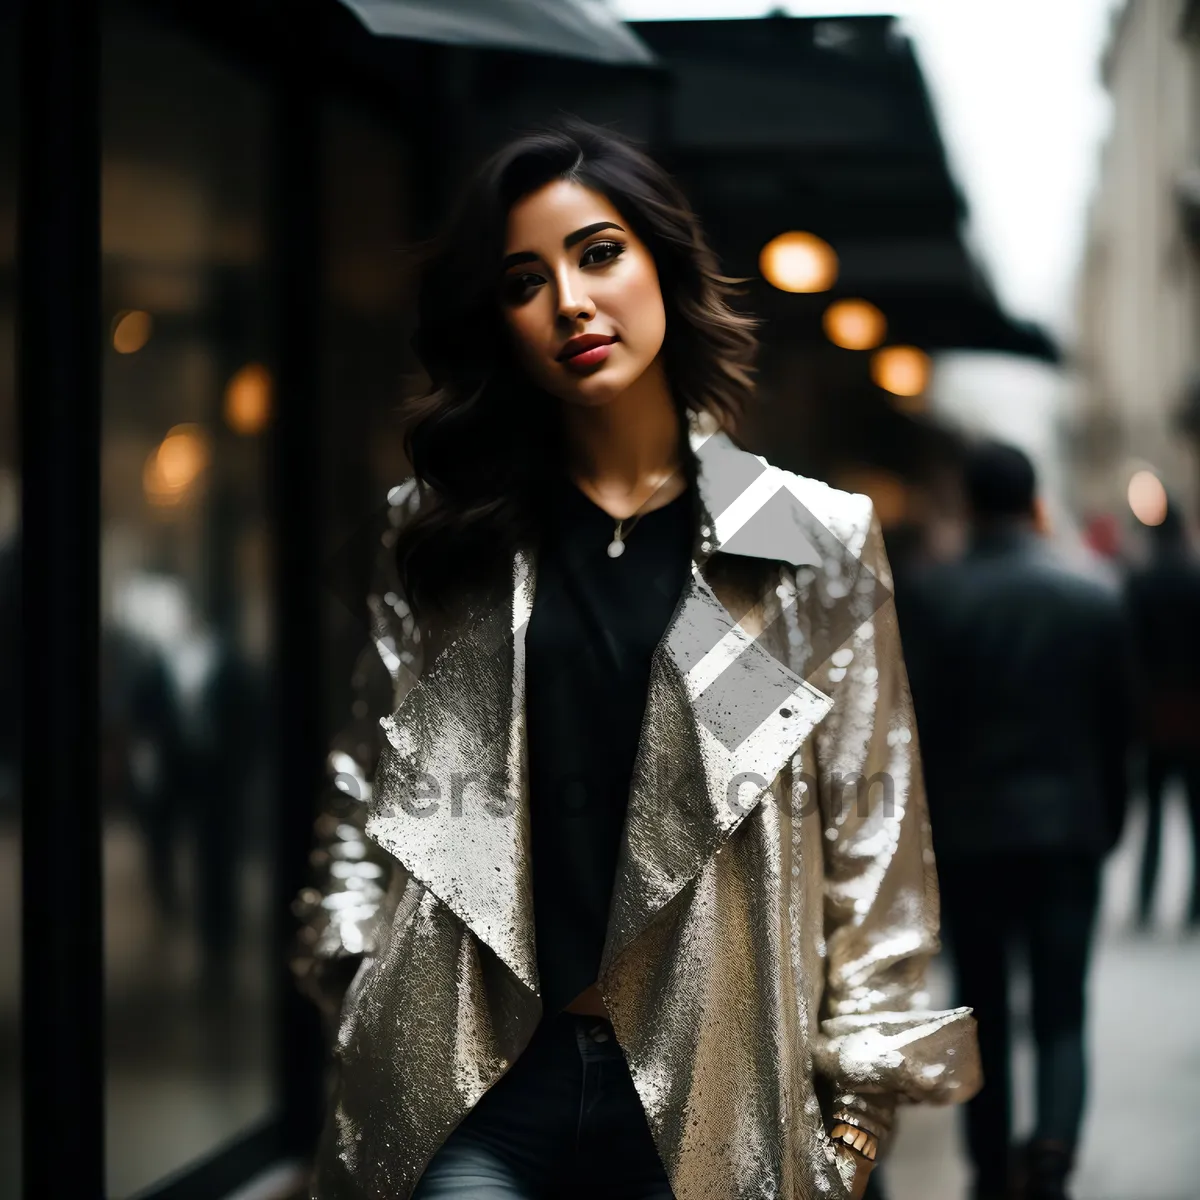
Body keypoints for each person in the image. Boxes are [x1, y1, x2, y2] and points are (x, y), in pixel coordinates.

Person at [292, 118, 979, 1200]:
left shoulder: (800, 541)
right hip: (471, 1079)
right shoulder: (446, 534)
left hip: (711, 1090)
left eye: (599, 252)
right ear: (501, 321)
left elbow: (872, 826)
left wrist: (856, 1113)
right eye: (525, 279)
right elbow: (361, 782)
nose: (570, 300)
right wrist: (351, 971)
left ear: (663, 260)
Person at [904, 441, 1135, 1200]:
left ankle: (989, 1165)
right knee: (1063, 1010)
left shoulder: (932, 596)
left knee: (982, 1012)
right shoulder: (1094, 592)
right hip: (1068, 833)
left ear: (968, 502)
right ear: (1036, 501)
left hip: (970, 840)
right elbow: (1117, 732)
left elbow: (917, 731)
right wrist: (1108, 823)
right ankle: (1054, 1157)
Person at [1124, 500, 1200, 930]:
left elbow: (1129, 653)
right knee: (1194, 816)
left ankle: (1146, 900)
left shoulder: (1141, 581)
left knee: (1150, 816)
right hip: (1194, 717)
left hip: (1154, 718)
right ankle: (1194, 905)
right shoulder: (1195, 578)